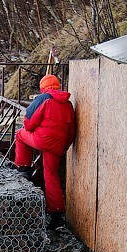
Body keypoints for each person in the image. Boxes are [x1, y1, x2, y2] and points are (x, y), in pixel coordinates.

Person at [14, 74, 77, 230]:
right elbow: (71, 131)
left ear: (43, 87)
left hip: (41, 140)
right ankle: (56, 215)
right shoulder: (68, 104)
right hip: (57, 145)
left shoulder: (43, 99)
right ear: (58, 86)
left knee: (20, 135)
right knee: (51, 175)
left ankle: (24, 170)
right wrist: (64, 147)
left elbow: (28, 124)